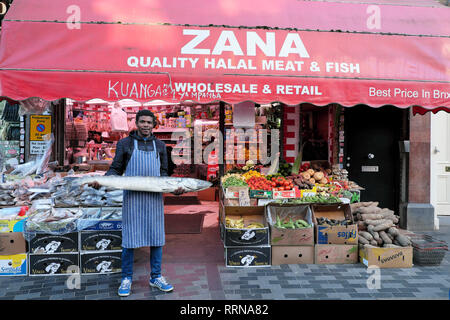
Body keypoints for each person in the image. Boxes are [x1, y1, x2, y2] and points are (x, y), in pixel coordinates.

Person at [89, 109, 184, 297]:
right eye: (142, 122)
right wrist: (103, 181)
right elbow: (115, 169)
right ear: (136, 123)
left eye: (149, 122)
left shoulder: (160, 146)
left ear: (154, 124)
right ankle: (126, 278)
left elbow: (164, 174)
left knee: (157, 238)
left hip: (154, 199)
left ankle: (156, 276)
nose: (146, 125)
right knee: (130, 239)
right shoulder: (125, 144)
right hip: (132, 198)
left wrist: (173, 188)